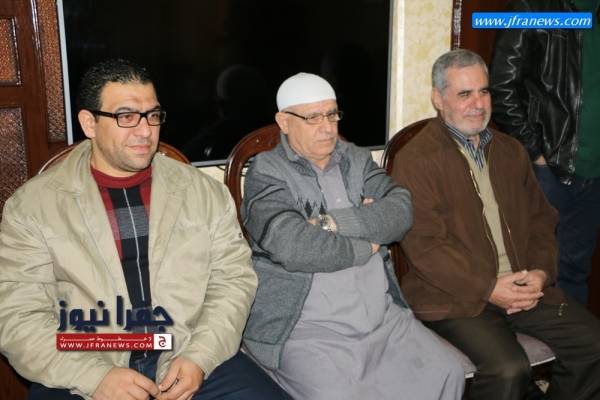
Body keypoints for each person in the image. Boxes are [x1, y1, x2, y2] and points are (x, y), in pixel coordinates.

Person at [0, 59, 290, 400]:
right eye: (126, 117)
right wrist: (94, 377)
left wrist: (199, 357)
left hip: (186, 350)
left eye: (152, 115)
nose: (145, 131)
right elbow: (17, 317)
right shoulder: (34, 206)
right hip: (83, 361)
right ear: (89, 123)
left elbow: (233, 282)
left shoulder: (202, 192)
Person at [241, 72, 465, 400]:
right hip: (307, 330)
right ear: (284, 122)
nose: (328, 127)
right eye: (313, 117)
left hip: (384, 320)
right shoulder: (266, 172)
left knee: (448, 371)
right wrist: (367, 245)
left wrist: (330, 223)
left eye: (332, 114)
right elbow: (293, 246)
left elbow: (401, 212)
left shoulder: (356, 159)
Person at [392, 49, 600, 400]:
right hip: (455, 297)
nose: (478, 104)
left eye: (484, 91)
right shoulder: (416, 159)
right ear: (438, 99)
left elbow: (542, 219)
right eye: (464, 93)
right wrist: (488, 287)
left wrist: (540, 273)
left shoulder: (510, 150)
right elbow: (424, 245)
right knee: (507, 370)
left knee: (593, 344)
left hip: (521, 286)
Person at [489, 0, 600, 305]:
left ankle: (572, 336)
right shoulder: (532, 6)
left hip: (594, 175)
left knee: (575, 273)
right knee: (531, 273)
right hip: (548, 170)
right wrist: (535, 154)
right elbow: (501, 87)